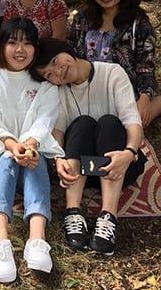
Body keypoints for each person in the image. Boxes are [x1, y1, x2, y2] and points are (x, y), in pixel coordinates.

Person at [0, 18, 62, 282]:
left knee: (36, 159)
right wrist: (13, 145)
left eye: (27, 43)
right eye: (13, 42)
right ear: (1, 46)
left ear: (35, 48)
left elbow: (45, 122)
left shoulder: (46, 86)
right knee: (8, 159)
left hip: (32, 158)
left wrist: (30, 145)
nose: (20, 50)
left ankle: (37, 239)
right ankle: (0, 238)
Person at [32, 38, 146, 256]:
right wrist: (59, 159)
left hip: (117, 167)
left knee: (109, 122)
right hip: (79, 171)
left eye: (56, 61)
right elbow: (59, 130)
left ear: (68, 50)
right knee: (83, 123)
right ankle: (73, 212)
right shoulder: (61, 91)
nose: (58, 72)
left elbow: (132, 120)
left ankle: (108, 216)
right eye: (49, 74)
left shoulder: (113, 73)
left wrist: (129, 152)